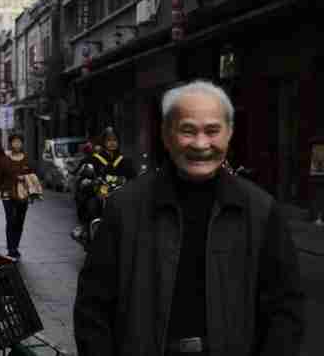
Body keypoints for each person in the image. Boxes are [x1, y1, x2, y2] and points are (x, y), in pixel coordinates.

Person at [73, 80, 305, 356]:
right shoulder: (125, 208)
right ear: (166, 134)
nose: (200, 143)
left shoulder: (261, 211)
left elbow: (285, 311)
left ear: (229, 134)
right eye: (187, 130)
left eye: (212, 131)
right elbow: (93, 308)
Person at [0, 134, 33, 261]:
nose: (16, 144)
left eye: (19, 142)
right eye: (14, 142)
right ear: (10, 144)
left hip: (23, 195)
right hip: (7, 194)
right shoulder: (4, 160)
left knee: (19, 221)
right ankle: (11, 249)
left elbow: (32, 177)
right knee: (10, 221)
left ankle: (15, 246)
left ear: (22, 144)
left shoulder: (27, 159)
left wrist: (32, 193)